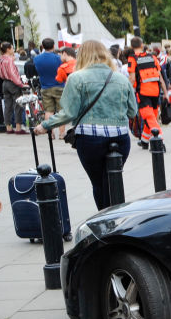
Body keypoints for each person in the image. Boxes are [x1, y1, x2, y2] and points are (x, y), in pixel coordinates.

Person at [33, 41, 137, 210]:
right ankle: (118, 219)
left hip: (90, 138)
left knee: (98, 183)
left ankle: (104, 220)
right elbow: (132, 112)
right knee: (113, 181)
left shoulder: (77, 78)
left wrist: (45, 125)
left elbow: (69, 113)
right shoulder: (120, 79)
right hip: (120, 137)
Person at [127, 37, 164, 149]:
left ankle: (160, 140)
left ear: (132, 47)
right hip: (156, 91)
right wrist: (166, 93)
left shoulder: (132, 59)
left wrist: (127, 89)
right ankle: (144, 140)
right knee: (152, 116)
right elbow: (160, 77)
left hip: (143, 92)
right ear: (142, 45)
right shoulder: (152, 57)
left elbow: (132, 79)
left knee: (149, 117)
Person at [34, 38, 65, 138]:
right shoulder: (58, 58)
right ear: (53, 46)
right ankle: (61, 133)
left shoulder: (37, 59)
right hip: (59, 86)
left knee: (49, 111)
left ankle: (50, 133)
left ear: (42, 46)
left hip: (45, 87)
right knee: (62, 111)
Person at [0, 42, 27, 134]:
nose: (13, 49)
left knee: (7, 105)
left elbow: (0, 73)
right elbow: (13, 73)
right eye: (12, 47)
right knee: (18, 105)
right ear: (8, 49)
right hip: (13, 83)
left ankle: (8, 127)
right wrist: (21, 84)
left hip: (4, 82)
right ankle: (18, 127)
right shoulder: (9, 60)